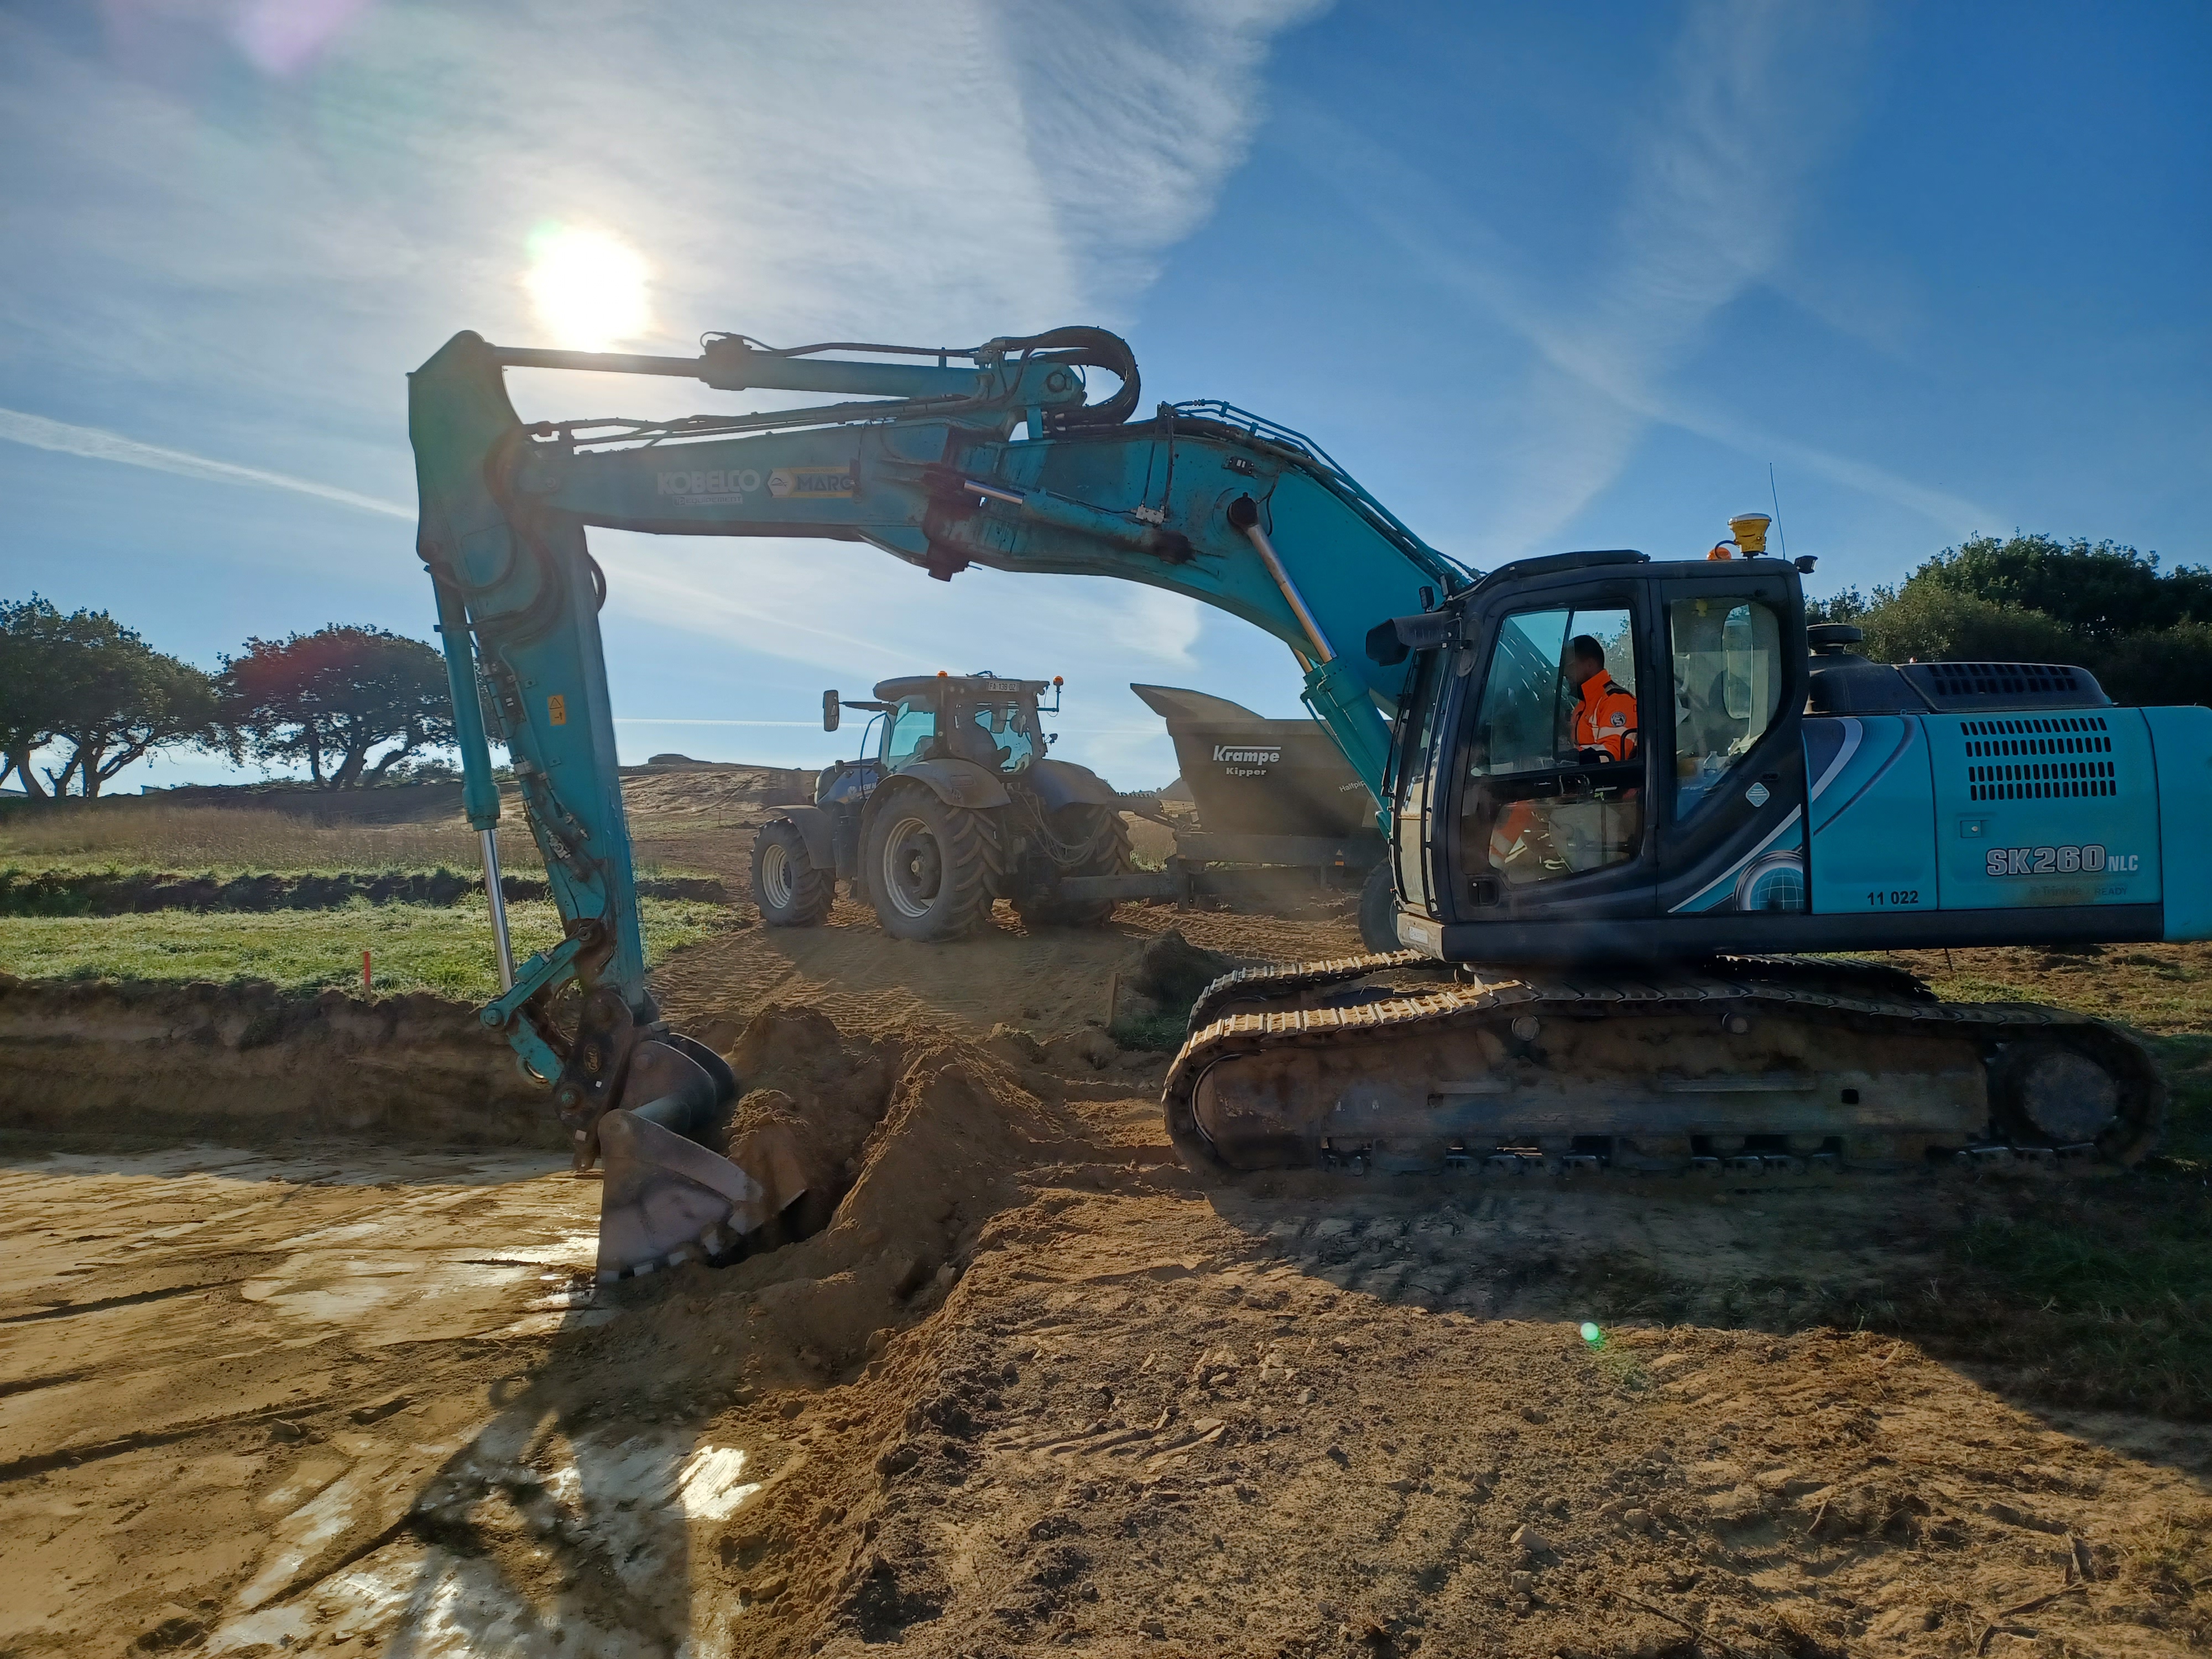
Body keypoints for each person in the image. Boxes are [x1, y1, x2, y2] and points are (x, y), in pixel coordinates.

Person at [1567, 635, 1637, 762]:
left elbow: (1613, 754)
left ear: (1590, 665)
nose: (1565, 673)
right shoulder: (1582, 706)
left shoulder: (1617, 700)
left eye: (1570, 666)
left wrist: (1573, 760)